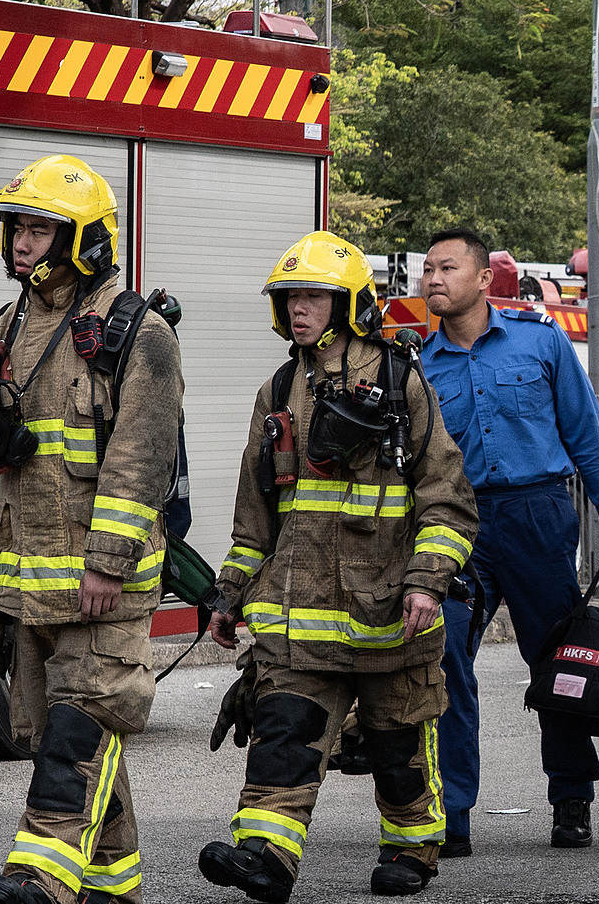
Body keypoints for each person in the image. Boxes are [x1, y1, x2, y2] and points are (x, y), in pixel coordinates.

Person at [0, 155, 182, 904]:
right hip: (23, 577)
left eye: (39, 226)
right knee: (58, 733)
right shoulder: (8, 325)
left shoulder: (137, 333)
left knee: (83, 722)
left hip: (100, 584)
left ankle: (40, 873)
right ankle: (113, 886)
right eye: (17, 226)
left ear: (83, 237)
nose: (21, 241)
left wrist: (109, 564)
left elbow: (141, 462)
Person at [199, 232, 478, 901]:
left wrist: (426, 581)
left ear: (348, 303)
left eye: (314, 295)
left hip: (389, 620)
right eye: (291, 296)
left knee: (398, 751)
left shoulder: (401, 381)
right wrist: (229, 592)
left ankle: (413, 849)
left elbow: (448, 499)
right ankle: (265, 855)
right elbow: (254, 515)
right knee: (282, 736)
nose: (299, 307)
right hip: (299, 621)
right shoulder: (277, 389)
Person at [418, 226, 599, 856]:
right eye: (428, 269)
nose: (434, 279)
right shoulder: (418, 368)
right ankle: (450, 810)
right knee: (446, 653)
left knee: (559, 661)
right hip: (456, 522)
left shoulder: (539, 342)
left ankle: (572, 797)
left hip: (537, 515)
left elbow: (586, 436)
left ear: (484, 278)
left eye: (448, 268)